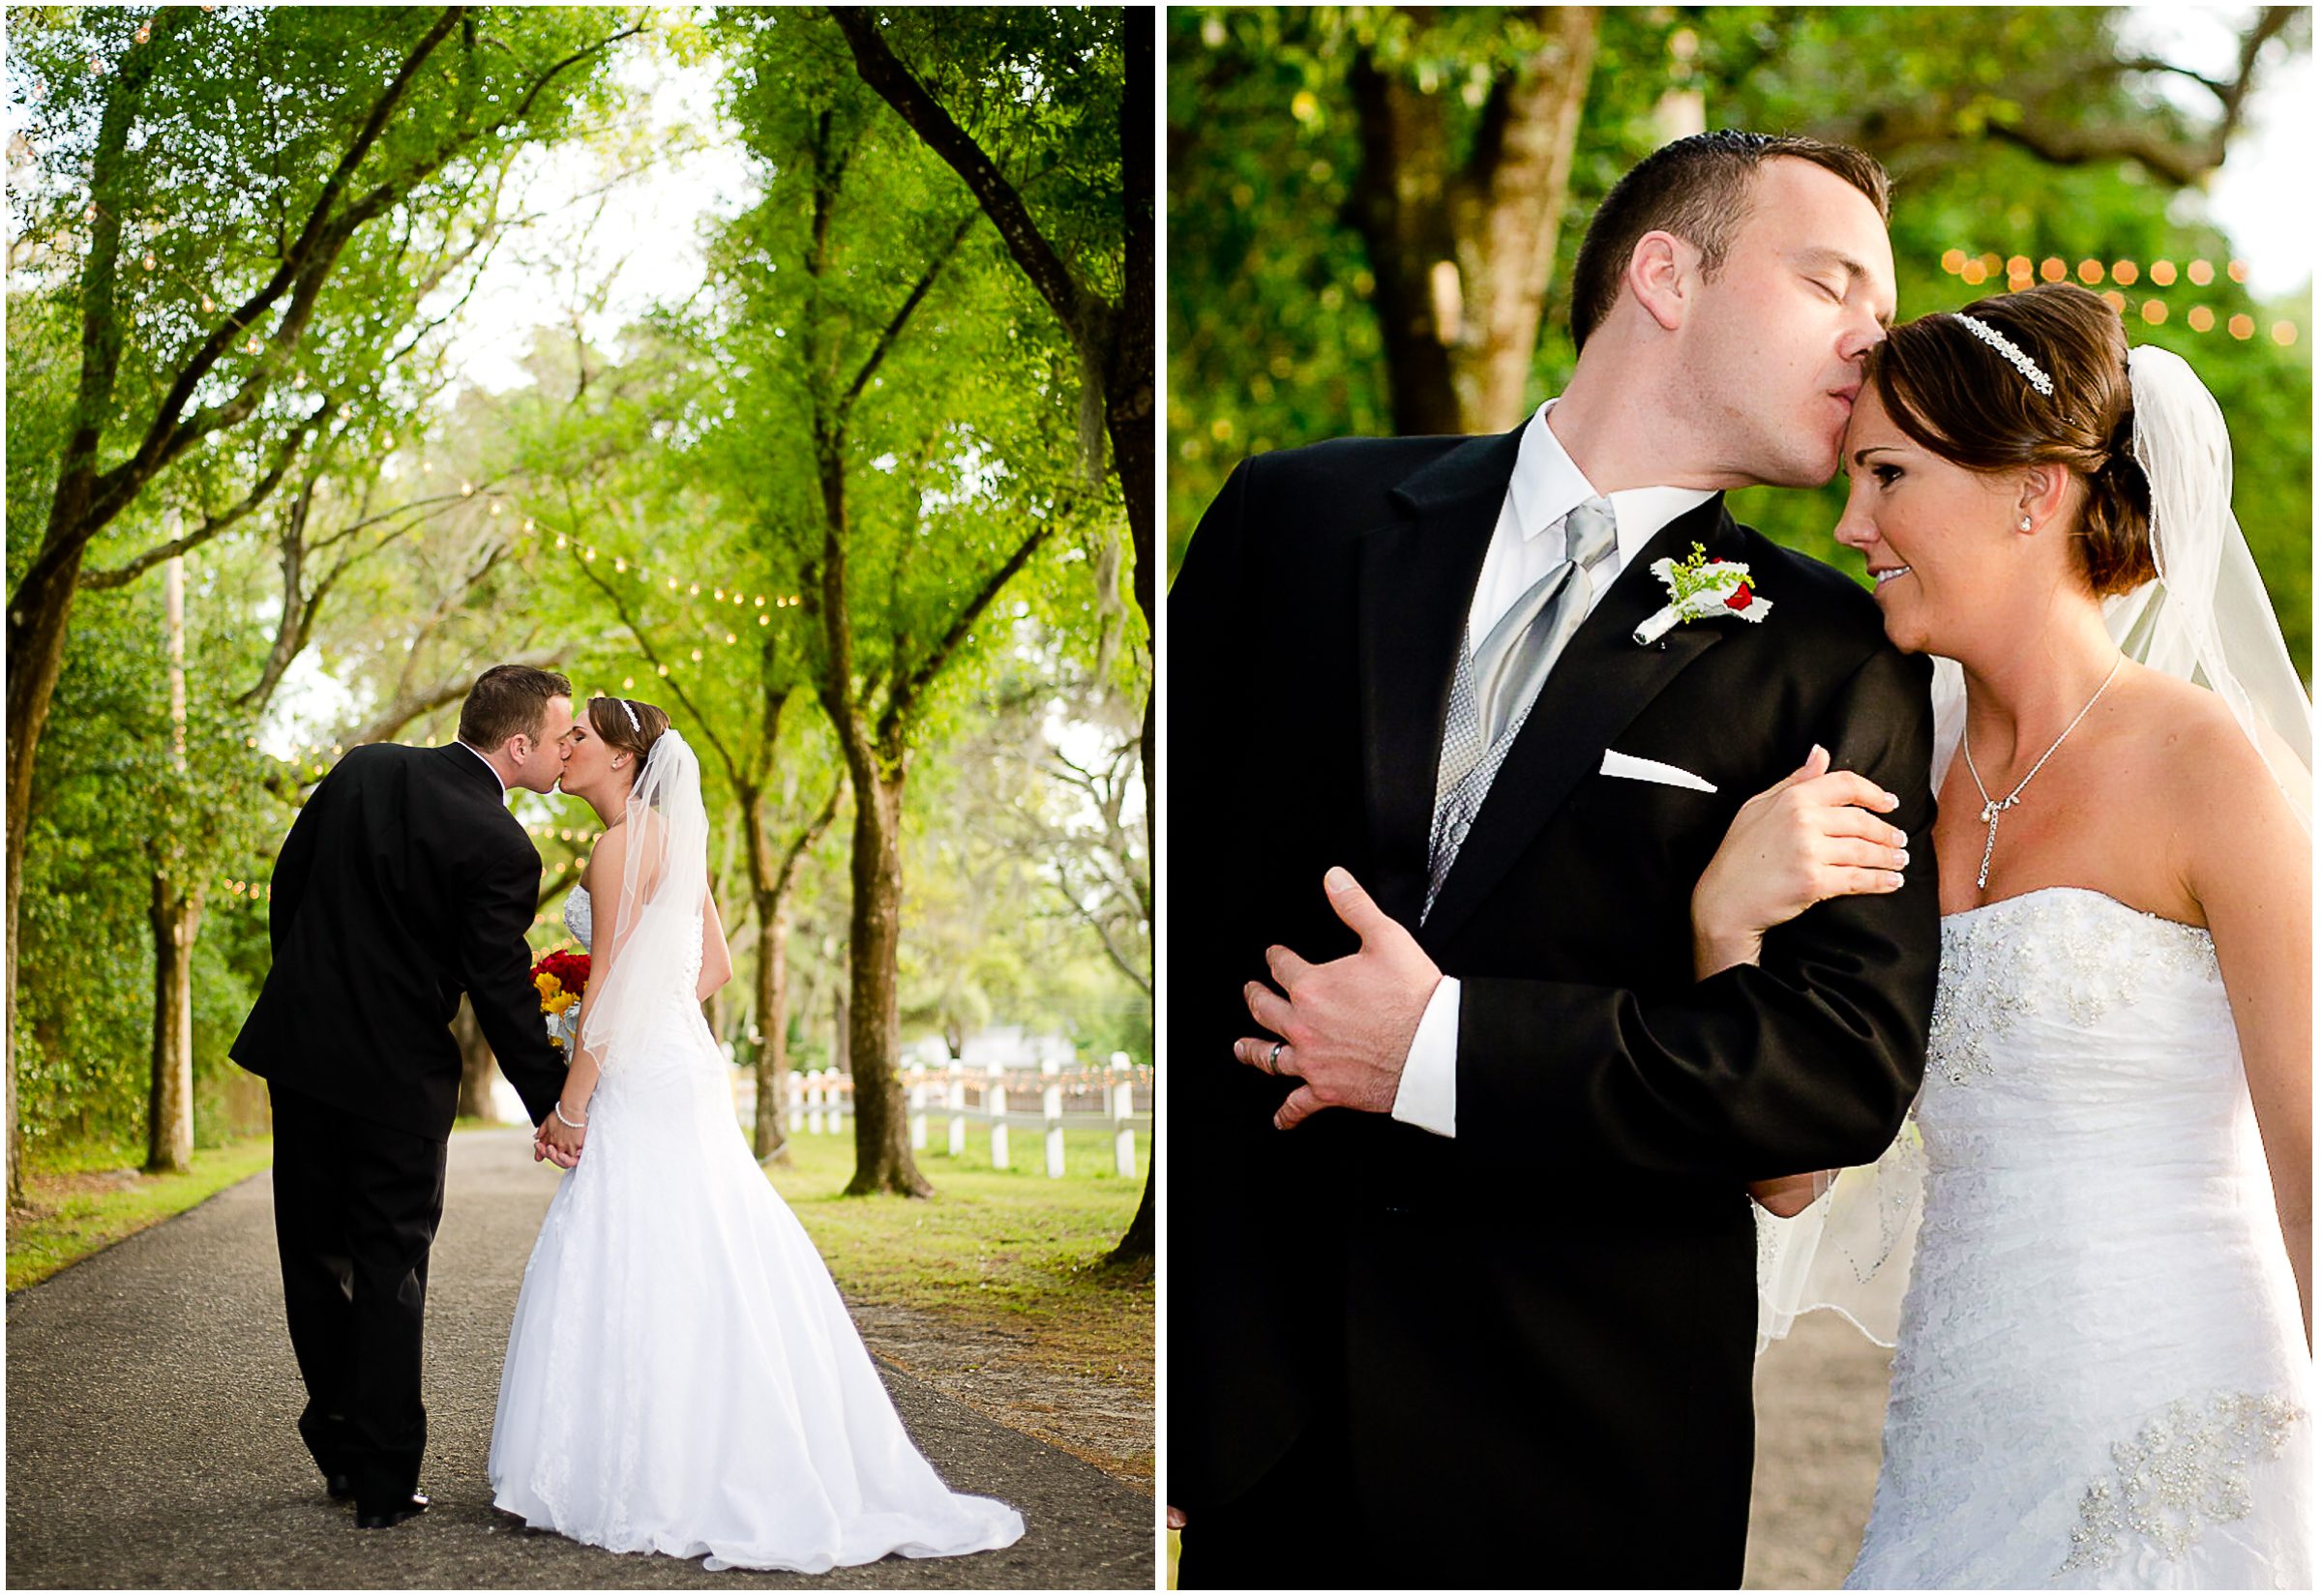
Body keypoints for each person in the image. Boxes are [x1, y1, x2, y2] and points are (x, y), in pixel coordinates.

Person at [1168, 131, 1940, 1588]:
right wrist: (1190, 1383)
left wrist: (1443, 1043)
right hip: (1273, 1440)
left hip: (1593, 1450)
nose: (1871, 340)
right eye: (1833, 282)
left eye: (1884, 312)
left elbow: (1838, 1067)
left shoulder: (1841, 660)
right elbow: (1182, 938)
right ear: (1665, 272)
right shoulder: (1295, 518)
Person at [1701, 281, 2312, 1587]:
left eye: (1886, 475)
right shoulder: (1887, 778)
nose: (1848, 523)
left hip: (2190, 1437)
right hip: (1949, 1446)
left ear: (2034, 491)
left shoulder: (2208, 768)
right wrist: (1728, 921)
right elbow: (1790, 1174)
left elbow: (2313, 1152)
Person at [488, 695, 1026, 1573]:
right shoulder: (672, 835)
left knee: (638, 1245)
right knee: (705, 1242)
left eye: (582, 736)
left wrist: (572, 1105)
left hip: (642, 1075)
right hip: (683, 1066)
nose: (568, 747)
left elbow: (613, 991)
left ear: (622, 759)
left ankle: (654, 1471)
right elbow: (714, 966)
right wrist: (650, 1015)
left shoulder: (619, 846)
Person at [230, 664, 580, 1528]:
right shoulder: (504, 848)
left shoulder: (363, 769)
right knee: (391, 1268)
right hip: (395, 1081)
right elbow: (499, 987)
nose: (569, 748)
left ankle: (343, 1450)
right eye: (562, 735)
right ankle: (384, 1482)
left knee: (311, 1257)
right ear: (520, 744)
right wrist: (554, 1100)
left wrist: (312, 987)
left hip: (303, 1056)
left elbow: (288, 884)